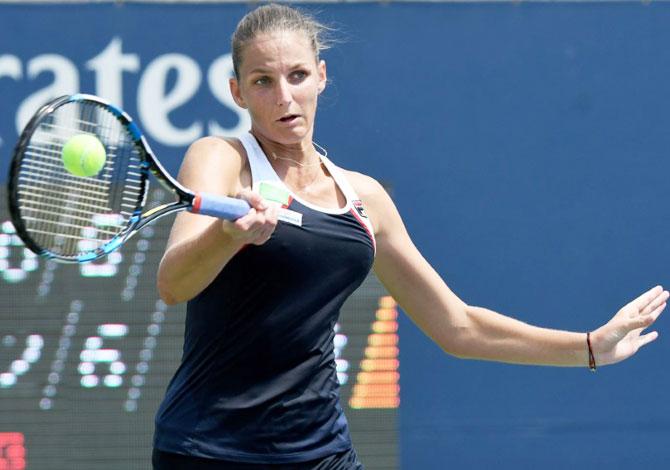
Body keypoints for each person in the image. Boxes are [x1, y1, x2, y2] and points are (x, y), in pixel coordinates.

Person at [152, 4, 667, 469]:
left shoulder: (365, 198)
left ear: (322, 77)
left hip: (321, 452)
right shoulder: (221, 158)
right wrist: (228, 236)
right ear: (237, 91)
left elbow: (457, 326)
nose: (284, 96)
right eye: (263, 81)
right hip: (210, 451)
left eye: (298, 75)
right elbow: (173, 283)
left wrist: (590, 347)